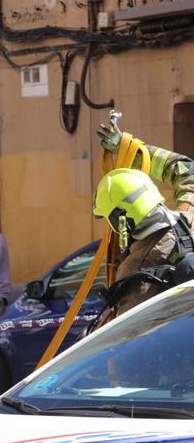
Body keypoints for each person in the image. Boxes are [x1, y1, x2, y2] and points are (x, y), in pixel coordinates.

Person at [92, 122, 194, 323]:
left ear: (120, 220)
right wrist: (131, 149)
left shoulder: (135, 273)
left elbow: (131, 340)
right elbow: (187, 170)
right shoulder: (189, 218)